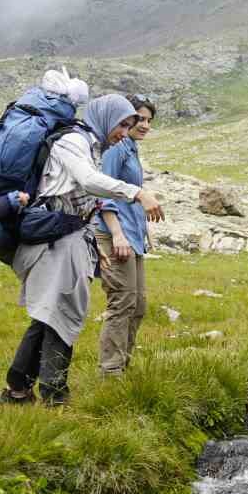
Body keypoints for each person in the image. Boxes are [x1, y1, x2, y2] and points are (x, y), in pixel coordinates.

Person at [3, 94, 154, 406]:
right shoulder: (74, 141)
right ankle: (55, 396)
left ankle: (17, 390)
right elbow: (88, 182)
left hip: (71, 238)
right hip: (55, 238)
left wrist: (92, 244)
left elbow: (83, 200)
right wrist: (137, 193)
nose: (124, 132)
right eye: (122, 124)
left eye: (129, 125)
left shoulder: (92, 145)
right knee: (62, 314)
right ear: (104, 118)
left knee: (48, 314)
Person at [93, 95, 164, 376]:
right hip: (115, 236)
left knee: (137, 305)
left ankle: (123, 365)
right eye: (139, 119)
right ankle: (110, 373)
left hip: (132, 236)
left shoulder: (131, 147)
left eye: (148, 120)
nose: (144, 125)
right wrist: (118, 235)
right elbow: (104, 192)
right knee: (122, 303)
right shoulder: (116, 147)